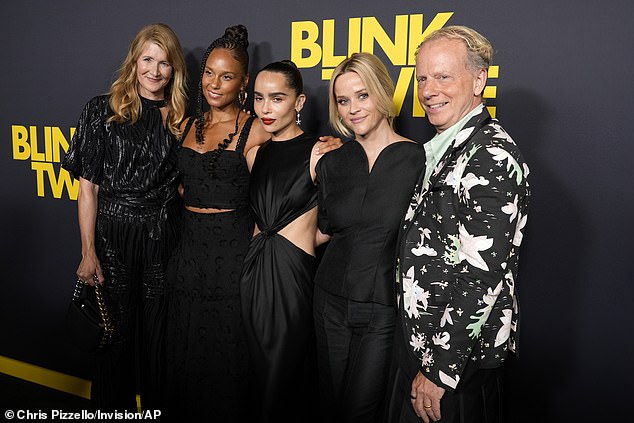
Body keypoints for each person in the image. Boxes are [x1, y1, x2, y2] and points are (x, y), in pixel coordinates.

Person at [386, 26, 530, 423]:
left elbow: (482, 275)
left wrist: (439, 370)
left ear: (479, 79)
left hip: (457, 369)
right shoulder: (445, 146)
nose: (429, 90)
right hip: (421, 348)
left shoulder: (492, 155)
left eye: (444, 77)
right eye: (422, 78)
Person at [61, 23, 188, 410]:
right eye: (147, 59)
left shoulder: (183, 120)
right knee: (114, 341)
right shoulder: (103, 111)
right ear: (134, 63)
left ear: (174, 71)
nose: (154, 70)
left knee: (157, 343)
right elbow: (88, 188)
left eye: (164, 63)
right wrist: (87, 250)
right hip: (112, 237)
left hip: (161, 240)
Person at [162, 25, 268, 420]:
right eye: (209, 72)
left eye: (227, 76)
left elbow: (284, 178)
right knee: (185, 350)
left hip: (232, 256)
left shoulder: (256, 129)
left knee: (226, 354)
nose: (214, 83)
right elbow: (181, 188)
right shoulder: (186, 125)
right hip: (187, 254)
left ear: (243, 82)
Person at [313, 52, 426, 422]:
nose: (353, 109)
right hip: (329, 301)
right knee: (330, 405)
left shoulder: (417, 160)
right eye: (343, 101)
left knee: (360, 411)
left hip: (382, 309)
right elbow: (325, 230)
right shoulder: (332, 162)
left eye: (362, 96)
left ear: (382, 93)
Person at [239, 60, 324, 422]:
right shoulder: (255, 155)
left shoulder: (321, 153)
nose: (266, 109)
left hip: (292, 277)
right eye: (259, 99)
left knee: (284, 377)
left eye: (277, 98)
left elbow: (338, 222)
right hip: (254, 272)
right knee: (257, 378)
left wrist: (301, 240)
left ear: (299, 102)